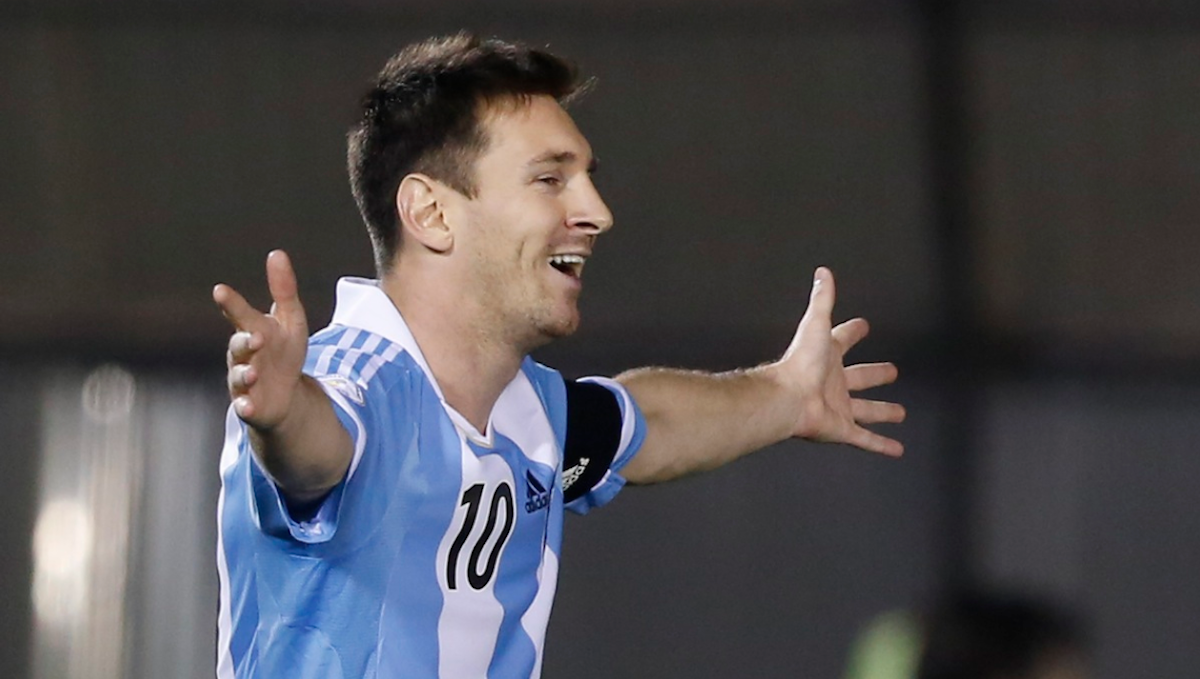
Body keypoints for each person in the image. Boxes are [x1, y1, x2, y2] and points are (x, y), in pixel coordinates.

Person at [212, 33, 905, 679]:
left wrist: (786, 394)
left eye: (587, 178)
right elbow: (320, 447)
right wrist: (279, 414)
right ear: (430, 213)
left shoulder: (529, 413)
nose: (597, 212)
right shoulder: (355, 380)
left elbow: (648, 425)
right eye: (550, 179)